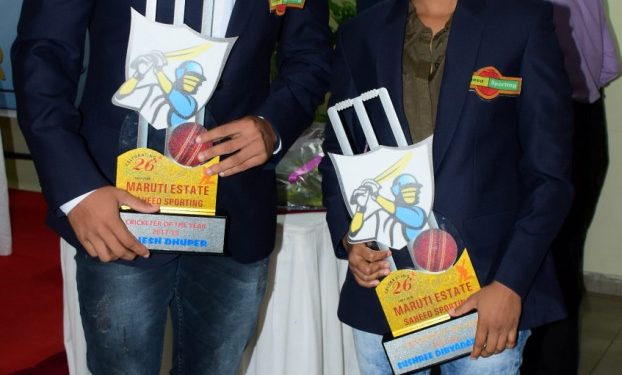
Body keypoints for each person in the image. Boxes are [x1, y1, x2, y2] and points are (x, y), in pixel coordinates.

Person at [12, 0, 331, 374]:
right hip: (116, 206)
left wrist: (272, 124)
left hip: (235, 200)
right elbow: (43, 54)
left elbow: (310, 55)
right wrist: (77, 189)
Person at [320, 0, 573, 373]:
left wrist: (510, 283)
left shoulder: (520, 23)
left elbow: (549, 176)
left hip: (486, 291)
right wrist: (348, 235)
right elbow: (338, 152)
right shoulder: (363, 32)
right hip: (387, 287)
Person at [522, 1, 621, 373]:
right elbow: (607, 62)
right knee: (563, 266)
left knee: (533, 265)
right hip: (586, 125)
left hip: (544, 123)